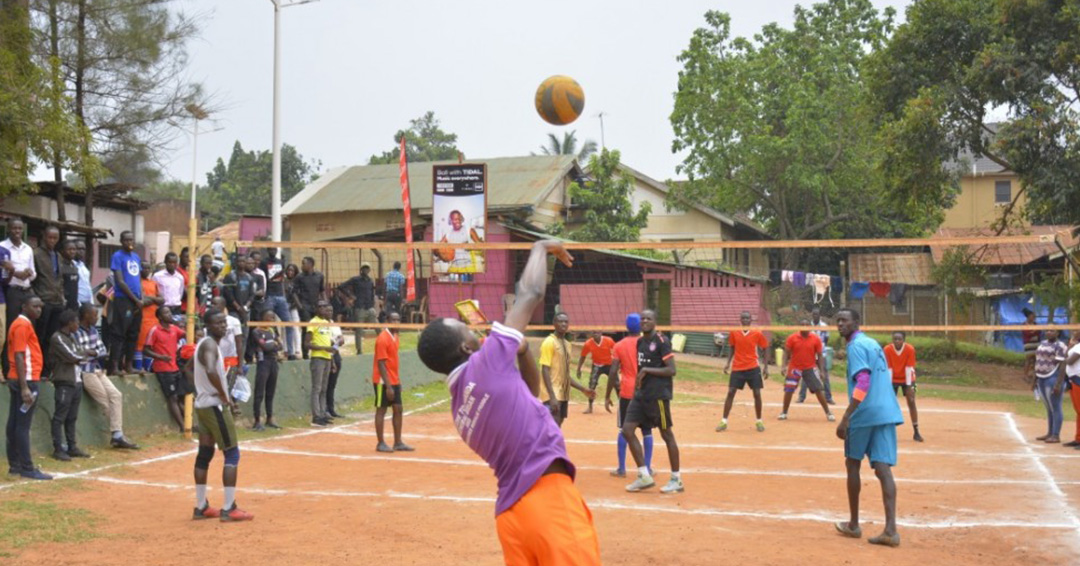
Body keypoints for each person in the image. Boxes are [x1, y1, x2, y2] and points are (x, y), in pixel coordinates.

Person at [416, 240, 599, 564]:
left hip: (513, 518)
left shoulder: (460, 408)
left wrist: (523, 349)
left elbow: (527, 393)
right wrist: (541, 249)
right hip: (548, 503)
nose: (474, 329)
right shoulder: (486, 362)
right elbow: (529, 293)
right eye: (466, 329)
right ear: (466, 349)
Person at [834, 308, 903, 547]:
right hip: (886, 411)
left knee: (852, 463)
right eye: (838, 321)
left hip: (865, 414)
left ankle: (853, 525)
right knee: (883, 469)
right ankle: (891, 530)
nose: (840, 324)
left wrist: (846, 416)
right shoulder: (874, 343)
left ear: (856, 323)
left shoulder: (855, 347)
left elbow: (863, 381)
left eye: (845, 320)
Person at [188, 310, 254, 522]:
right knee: (232, 454)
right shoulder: (208, 345)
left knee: (205, 454)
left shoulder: (206, 344)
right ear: (208, 325)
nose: (223, 326)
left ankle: (201, 506)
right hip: (214, 406)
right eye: (218, 323)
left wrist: (201, 390)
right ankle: (229, 507)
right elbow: (210, 370)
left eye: (224, 323)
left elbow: (187, 369)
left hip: (203, 404)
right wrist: (225, 397)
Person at [622, 309, 683, 494]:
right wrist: (639, 381)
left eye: (649, 318)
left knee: (666, 434)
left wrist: (647, 370)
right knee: (627, 430)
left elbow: (671, 370)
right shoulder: (640, 342)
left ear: (655, 322)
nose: (645, 321)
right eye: (642, 319)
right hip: (641, 396)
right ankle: (644, 475)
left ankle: (676, 479)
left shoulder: (662, 341)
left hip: (658, 396)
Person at [74, 304, 138, 449]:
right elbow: (78, 354)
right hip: (85, 371)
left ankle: (117, 435)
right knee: (105, 401)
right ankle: (117, 435)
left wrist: (92, 353)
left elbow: (102, 350)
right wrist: (90, 353)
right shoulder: (76, 332)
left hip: (97, 369)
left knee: (116, 395)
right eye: (94, 314)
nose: (96, 317)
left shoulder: (93, 331)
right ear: (86, 316)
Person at [5, 297, 51, 479]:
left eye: (41, 306)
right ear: (24, 306)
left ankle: (15, 465)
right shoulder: (22, 325)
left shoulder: (21, 324)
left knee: (15, 423)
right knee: (22, 425)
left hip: (20, 379)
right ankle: (26, 467)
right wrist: (25, 388)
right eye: (35, 306)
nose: (39, 310)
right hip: (26, 381)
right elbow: (18, 355)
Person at [605, 313, 653, 478]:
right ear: (641, 326)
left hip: (626, 392)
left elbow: (612, 372)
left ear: (626, 327)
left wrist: (607, 394)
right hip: (646, 391)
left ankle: (621, 468)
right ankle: (647, 468)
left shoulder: (619, 345)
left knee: (624, 431)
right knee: (647, 431)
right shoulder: (648, 343)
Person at [48, 309, 91, 461]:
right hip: (64, 381)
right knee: (60, 416)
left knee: (72, 417)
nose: (78, 324)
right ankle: (58, 449)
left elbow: (78, 354)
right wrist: (86, 354)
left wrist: (82, 355)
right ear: (69, 323)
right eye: (76, 322)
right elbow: (73, 356)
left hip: (76, 380)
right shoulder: (57, 338)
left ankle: (72, 447)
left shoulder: (71, 337)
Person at [539, 313, 595, 427]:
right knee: (551, 429)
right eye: (560, 321)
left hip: (563, 394)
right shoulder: (549, 342)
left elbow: (565, 375)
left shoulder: (567, 345)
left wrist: (583, 389)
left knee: (557, 426)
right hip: (552, 394)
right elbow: (545, 370)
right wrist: (552, 397)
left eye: (566, 322)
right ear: (554, 324)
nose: (563, 324)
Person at [718, 311, 770, 432]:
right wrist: (728, 363)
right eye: (744, 318)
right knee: (731, 392)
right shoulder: (734, 332)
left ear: (751, 320)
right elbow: (732, 347)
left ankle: (759, 421)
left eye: (748, 318)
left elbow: (766, 347)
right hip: (738, 367)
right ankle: (724, 421)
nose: (746, 320)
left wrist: (766, 366)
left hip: (753, 367)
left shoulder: (757, 332)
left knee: (757, 393)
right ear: (740, 320)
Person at [372, 312, 414, 452]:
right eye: (393, 319)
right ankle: (380, 443)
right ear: (387, 321)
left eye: (398, 319)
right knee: (381, 410)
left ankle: (398, 442)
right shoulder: (382, 339)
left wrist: (397, 382)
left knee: (398, 409)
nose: (396, 322)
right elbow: (381, 364)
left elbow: (393, 362)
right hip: (382, 381)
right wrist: (388, 386)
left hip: (394, 379)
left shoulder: (395, 336)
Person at [779, 318, 835, 422]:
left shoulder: (815, 339)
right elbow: (786, 352)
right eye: (802, 325)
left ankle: (828, 412)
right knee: (789, 390)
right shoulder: (792, 338)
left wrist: (821, 370)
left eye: (806, 325)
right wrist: (783, 366)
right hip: (795, 368)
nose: (804, 327)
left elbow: (819, 356)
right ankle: (784, 412)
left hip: (810, 367)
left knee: (818, 389)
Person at [145, 306, 187, 432]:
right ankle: (182, 426)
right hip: (163, 369)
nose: (170, 315)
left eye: (169, 312)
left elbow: (187, 334)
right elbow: (146, 349)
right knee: (172, 397)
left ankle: (188, 423)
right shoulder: (155, 331)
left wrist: (189, 324)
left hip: (175, 367)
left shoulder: (174, 329)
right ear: (160, 317)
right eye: (166, 313)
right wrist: (160, 357)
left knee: (181, 396)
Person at [108, 231, 143, 375]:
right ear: (121, 241)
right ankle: (114, 366)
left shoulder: (136, 257)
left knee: (133, 333)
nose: (130, 243)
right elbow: (120, 281)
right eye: (126, 240)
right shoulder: (117, 256)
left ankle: (129, 364)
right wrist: (134, 299)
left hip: (137, 301)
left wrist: (140, 298)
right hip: (124, 299)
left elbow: (138, 280)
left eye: (131, 240)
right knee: (119, 333)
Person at [32, 226, 66, 365]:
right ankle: (37, 367)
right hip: (44, 301)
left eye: (55, 238)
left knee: (52, 338)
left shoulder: (58, 255)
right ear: (44, 237)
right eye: (50, 237)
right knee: (40, 336)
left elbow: (60, 278)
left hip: (57, 301)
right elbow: (33, 278)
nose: (52, 240)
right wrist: (37, 298)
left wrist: (62, 297)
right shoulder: (36, 254)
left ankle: (47, 368)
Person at [884, 331, 923, 442]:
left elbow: (910, 368)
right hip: (893, 378)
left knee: (911, 400)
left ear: (904, 340)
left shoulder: (910, 349)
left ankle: (916, 431)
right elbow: (888, 369)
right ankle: (888, 431)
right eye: (895, 339)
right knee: (889, 403)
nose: (897, 341)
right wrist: (888, 386)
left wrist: (910, 386)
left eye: (899, 339)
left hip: (910, 379)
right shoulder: (887, 349)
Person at [249, 309, 282, 431]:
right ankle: (257, 420)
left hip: (273, 361)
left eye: (272, 318)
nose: (271, 321)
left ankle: (269, 418)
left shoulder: (272, 331)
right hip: (263, 363)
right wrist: (274, 344)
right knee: (259, 392)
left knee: (270, 391)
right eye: (268, 318)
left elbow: (280, 346)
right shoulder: (256, 331)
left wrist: (273, 344)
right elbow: (265, 347)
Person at [304, 300, 335, 426]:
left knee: (324, 388)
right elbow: (307, 344)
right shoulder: (313, 322)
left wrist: (331, 355)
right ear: (316, 309)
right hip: (318, 358)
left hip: (327, 358)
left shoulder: (327, 323)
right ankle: (316, 416)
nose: (323, 309)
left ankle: (322, 413)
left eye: (325, 306)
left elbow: (328, 342)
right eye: (320, 306)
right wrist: (323, 348)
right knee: (317, 388)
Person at [259, 247, 294, 358]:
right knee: (269, 324)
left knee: (289, 324)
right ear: (268, 251)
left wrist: (284, 295)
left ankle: (290, 352)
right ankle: (273, 349)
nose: (273, 251)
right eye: (271, 250)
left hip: (280, 296)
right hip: (269, 295)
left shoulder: (280, 262)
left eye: (274, 250)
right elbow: (264, 278)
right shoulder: (263, 263)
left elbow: (282, 280)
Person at [1033, 328, 1067, 444]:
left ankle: (1056, 435)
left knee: (1055, 406)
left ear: (1058, 333)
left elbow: (1063, 365)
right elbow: (1037, 361)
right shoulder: (1042, 343)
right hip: (1041, 377)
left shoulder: (1060, 345)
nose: (1049, 332)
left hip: (1052, 377)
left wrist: (1058, 383)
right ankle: (1050, 433)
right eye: (1047, 330)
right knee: (1048, 407)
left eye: (1052, 331)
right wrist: (1034, 379)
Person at [209, 297, 244, 400]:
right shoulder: (208, 321)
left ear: (223, 306)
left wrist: (240, 365)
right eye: (211, 304)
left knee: (227, 390)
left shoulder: (233, 321)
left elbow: (239, 343)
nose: (212, 306)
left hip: (230, 360)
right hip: (215, 360)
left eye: (215, 304)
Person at [799, 306, 835, 404]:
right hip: (809, 354)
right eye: (813, 314)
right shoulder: (807, 326)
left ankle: (828, 397)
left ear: (820, 315)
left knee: (825, 375)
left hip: (821, 354)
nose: (815, 316)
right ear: (812, 315)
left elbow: (826, 340)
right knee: (806, 375)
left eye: (817, 314)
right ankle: (801, 397)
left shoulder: (824, 326)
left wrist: (820, 348)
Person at [342, 262, 376, 353]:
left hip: (369, 307)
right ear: (361, 269)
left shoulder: (370, 281)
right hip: (360, 307)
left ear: (369, 270)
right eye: (364, 268)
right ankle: (359, 349)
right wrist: (350, 295)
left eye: (367, 268)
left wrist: (372, 305)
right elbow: (341, 286)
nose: (365, 270)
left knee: (378, 327)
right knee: (359, 330)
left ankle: (384, 346)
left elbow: (372, 294)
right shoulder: (355, 279)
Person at [577, 330, 614, 414]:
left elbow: (616, 351)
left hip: (609, 364)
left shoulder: (609, 340)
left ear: (601, 333)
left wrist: (618, 364)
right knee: (592, 385)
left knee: (617, 384)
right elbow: (583, 356)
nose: (595, 334)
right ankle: (590, 407)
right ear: (591, 334)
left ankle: (622, 406)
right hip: (596, 365)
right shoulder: (588, 343)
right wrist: (579, 368)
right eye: (593, 332)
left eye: (597, 332)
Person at [136, 261, 163, 373]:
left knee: (150, 345)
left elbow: (162, 300)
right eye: (144, 268)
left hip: (154, 320)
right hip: (141, 319)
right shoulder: (136, 282)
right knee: (139, 345)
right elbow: (142, 301)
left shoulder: (153, 283)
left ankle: (148, 369)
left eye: (148, 268)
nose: (146, 270)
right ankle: (138, 368)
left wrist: (150, 299)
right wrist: (154, 299)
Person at [294, 257, 324, 358]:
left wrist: (325, 303)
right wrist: (300, 306)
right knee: (307, 329)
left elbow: (322, 290)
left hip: (316, 306)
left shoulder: (319, 275)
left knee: (318, 329)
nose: (302, 266)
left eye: (304, 264)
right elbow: (294, 292)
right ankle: (305, 354)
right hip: (305, 306)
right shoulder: (299, 277)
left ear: (310, 265)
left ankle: (317, 351)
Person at [153, 252, 186, 324]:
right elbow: (154, 292)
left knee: (176, 328)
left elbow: (180, 292)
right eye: (170, 262)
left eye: (174, 262)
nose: (172, 265)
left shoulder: (180, 277)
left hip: (176, 308)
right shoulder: (157, 276)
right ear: (165, 262)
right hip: (164, 308)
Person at [1063, 333, 1080, 450]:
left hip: (1078, 379)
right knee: (1078, 411)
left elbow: (1069, 361)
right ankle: (1078, 438)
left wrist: (1069, 346)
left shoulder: (1078, 347)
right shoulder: (1076, 346)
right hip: (1073, 379)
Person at [284, 263, 302, 359]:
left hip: (294, 306)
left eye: (292, 270)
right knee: (285, 327)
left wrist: (294, 305)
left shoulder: (297, 281)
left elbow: (299, 295)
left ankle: (297, 349)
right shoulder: (283, 281)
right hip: (284, 305)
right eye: (288, 270)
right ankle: (286, 348)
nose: (290, 272)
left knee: (295, 327)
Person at [59, 239, 81, 312]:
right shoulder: (59, 266)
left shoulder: (74, 266)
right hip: (64, 304)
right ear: (62, 251)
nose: (72, 252)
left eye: (74, 249)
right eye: (69, 249)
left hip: (74, 304)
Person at [1022, 308, 1041, 384]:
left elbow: (1039, 332)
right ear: (1028, 316)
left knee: (1036, 360)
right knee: (1028, 359)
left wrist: (1033, 332)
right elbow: (1027, 334)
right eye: (1032, 316)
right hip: (1028, 344)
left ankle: (1034, 375)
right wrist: (1034, 332)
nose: (1033, 317)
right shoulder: (1024, 324)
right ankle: (1025, 375)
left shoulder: (1035, 324)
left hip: (1036, 343)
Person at [73, 239, 93, 308]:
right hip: (77, 303)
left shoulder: (83, 267)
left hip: (87, 303)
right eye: (79, 249)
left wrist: (91, 302)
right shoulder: (71, 266)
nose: (81, 251)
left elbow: (88, 285)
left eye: (83, 249)